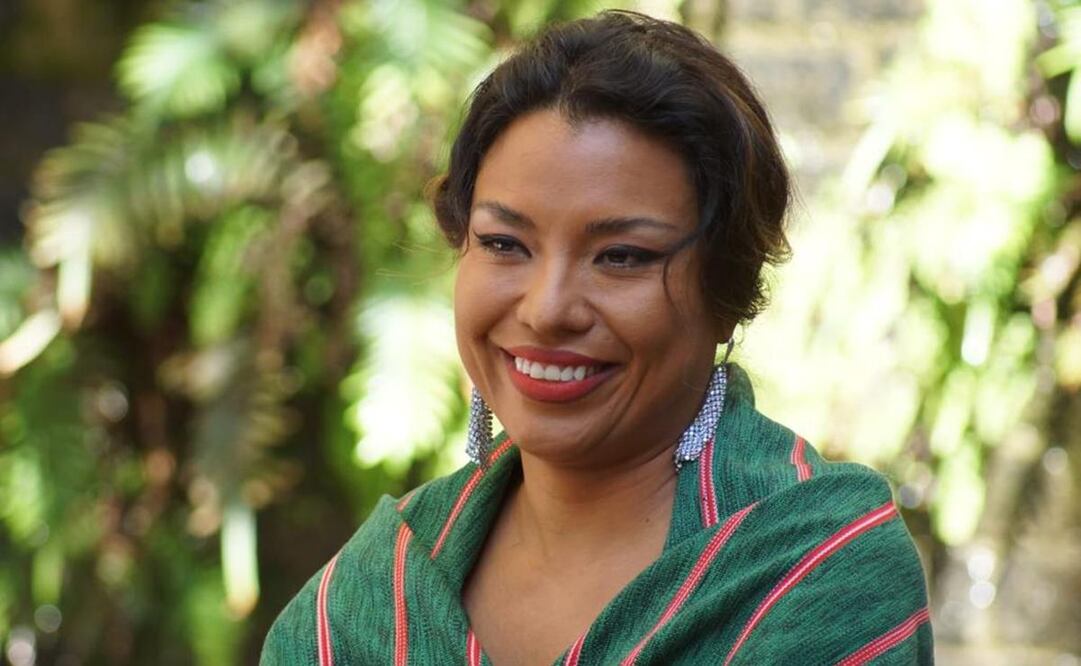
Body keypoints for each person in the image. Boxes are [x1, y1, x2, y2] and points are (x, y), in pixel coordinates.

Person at [261, 10, 933, 665]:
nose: (547, 309)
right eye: (503, 243)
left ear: (725, 291)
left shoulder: (814, 570)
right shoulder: (368, 597)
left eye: (621, 256)